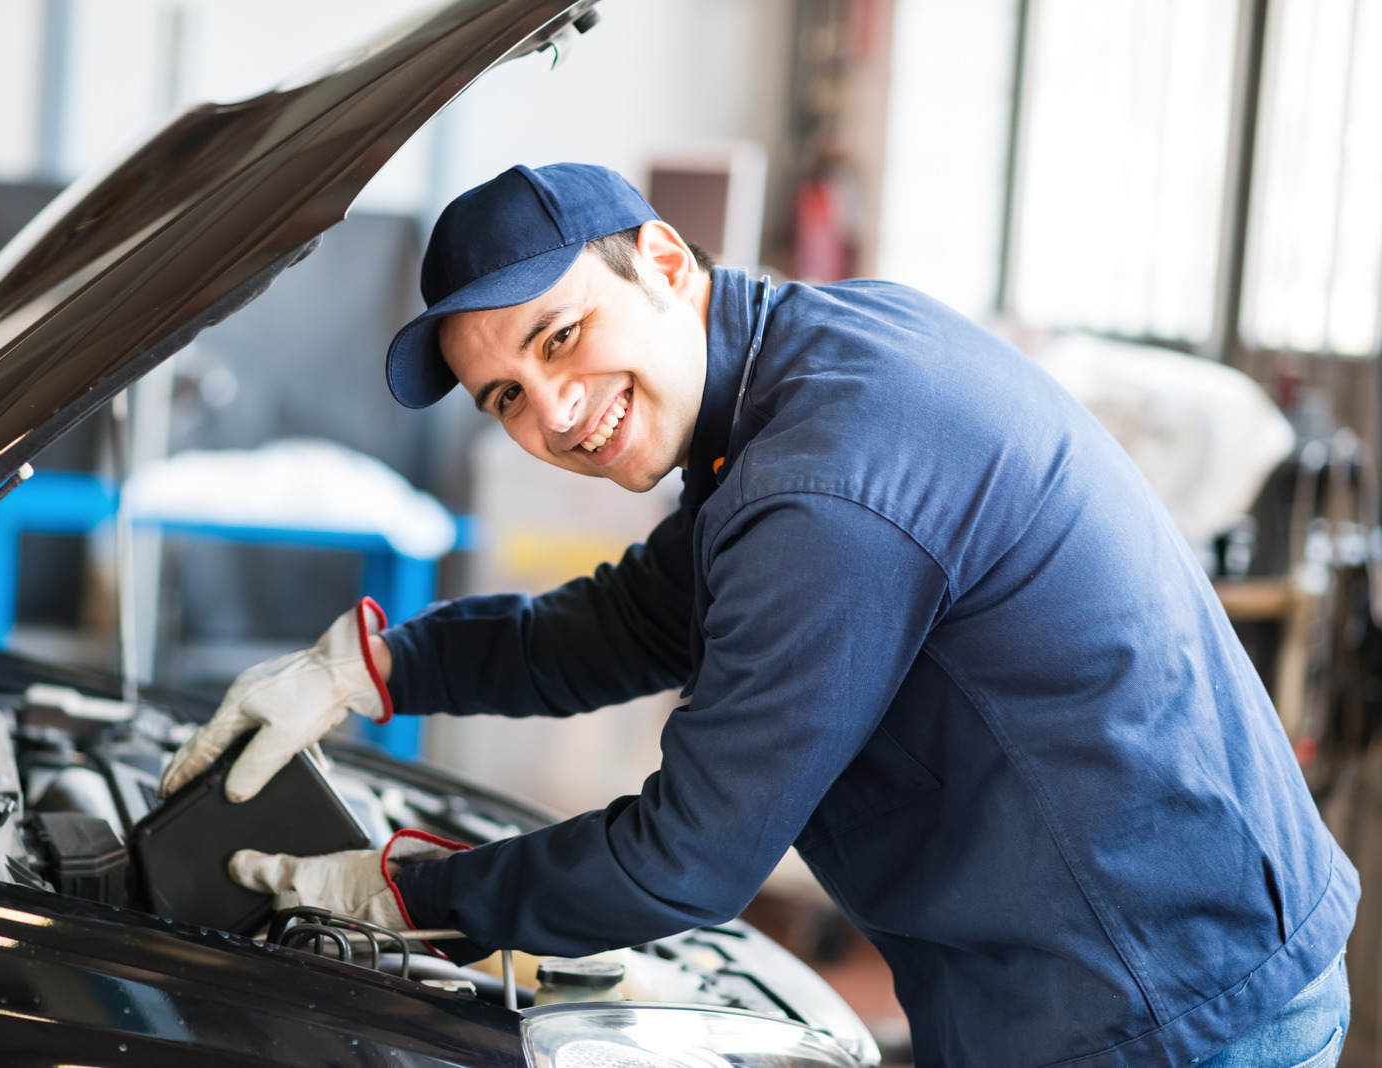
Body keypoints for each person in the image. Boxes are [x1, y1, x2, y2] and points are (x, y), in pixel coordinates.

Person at [159, 163, 1356, 1067]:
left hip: (1160, 1007)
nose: (556, 412)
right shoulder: (803, 372)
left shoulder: (821, 484)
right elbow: (623, 626)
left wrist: (413, 894)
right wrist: (362, 669)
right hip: (1128, 965)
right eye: (505, 396)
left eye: (562, 335)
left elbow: (686, 860)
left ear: (666, 264)